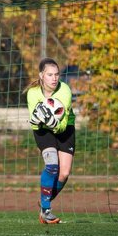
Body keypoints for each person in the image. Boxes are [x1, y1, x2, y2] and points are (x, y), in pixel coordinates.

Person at [25, 57, 75, 224]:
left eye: (56, 74)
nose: (54, 78)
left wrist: (53, 123)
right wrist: (36, 120)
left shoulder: (65, 91)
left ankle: (43, 201)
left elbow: (61, 125)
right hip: (42, 131)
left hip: (64, 128)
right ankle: (46, 210)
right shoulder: (33, 93)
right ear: (41, 75)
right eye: (49, 75)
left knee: (64, 173)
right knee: (52, 165)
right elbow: (35, 123)